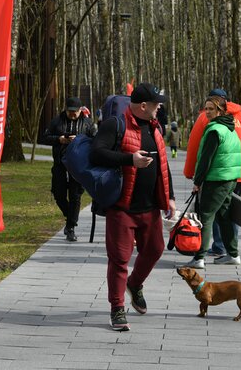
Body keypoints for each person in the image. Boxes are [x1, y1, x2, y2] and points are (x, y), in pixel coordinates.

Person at [89, 82, 176, 332]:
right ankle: (117, 308)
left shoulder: (155, 126)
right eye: (156, 103)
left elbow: (161, 160)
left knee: (156, 249)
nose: (160, 107)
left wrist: (168, 197)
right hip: (122, 207)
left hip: (150, 207)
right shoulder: (115, 125)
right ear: (143, 106)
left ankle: (135, 284)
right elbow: (96, 153)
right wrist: (130, 159)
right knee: (119, 259)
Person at [183, 88, 241, 255]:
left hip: (217, 174)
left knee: (212, 211)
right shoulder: (240, 117)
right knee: (231, 210)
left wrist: (191, 172)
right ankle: (230, 248)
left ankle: (218, 247)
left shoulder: (207, 117)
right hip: (239, 172)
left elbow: (195, 146)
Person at [40, 97, 97, 242]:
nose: (72, 114)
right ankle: (69, 216)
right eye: (69, 111)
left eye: (75, 112)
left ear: (80, 111)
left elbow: (96, 142)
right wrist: (60, 139)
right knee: (58, 193)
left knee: (75, 195)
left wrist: (79, 141)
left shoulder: (88, 124)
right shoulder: (57, 121)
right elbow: (45, 137)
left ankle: (70, 227)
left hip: (78, 165)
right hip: (60, 163)